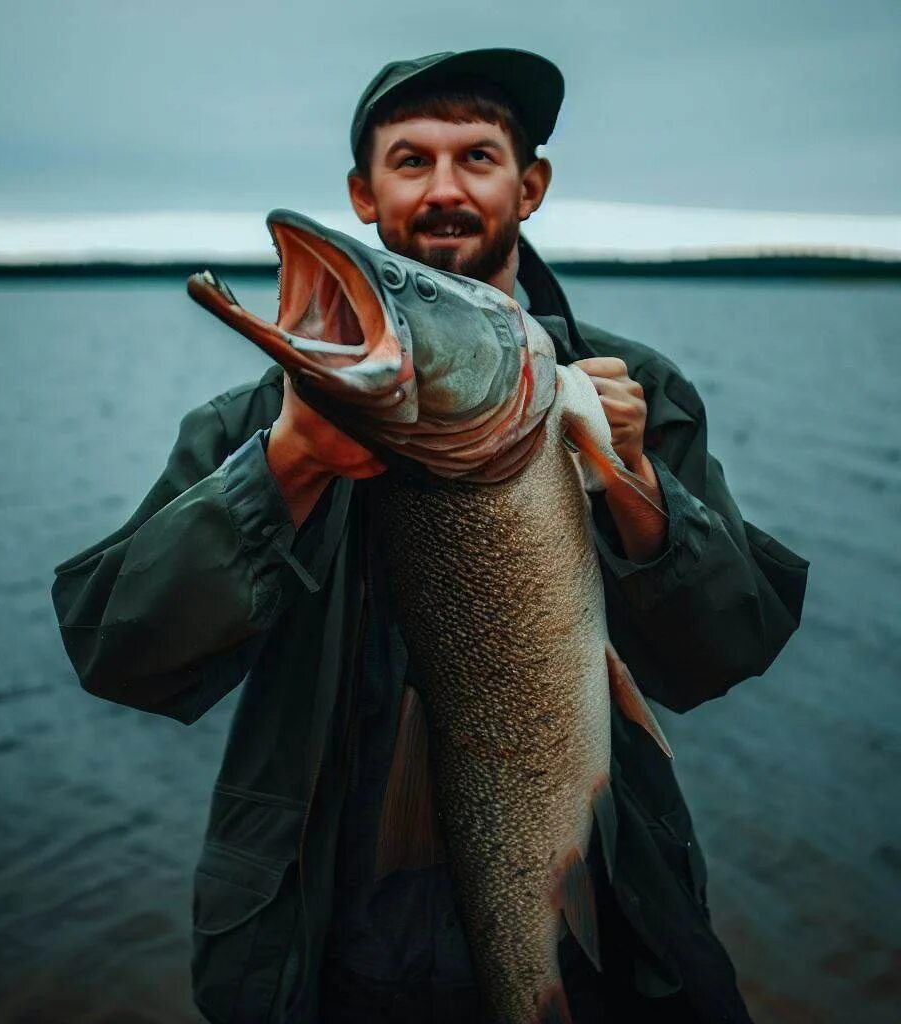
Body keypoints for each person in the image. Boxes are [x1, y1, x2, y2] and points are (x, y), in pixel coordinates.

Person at [50, 48, 809, 1024]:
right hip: (324, 960)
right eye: (410, 161)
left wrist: (637, 488)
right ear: (363, 194)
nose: (444, 188)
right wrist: (285, 466)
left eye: (476, 157)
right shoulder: (256, 425)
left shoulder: (633, 392)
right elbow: (119, 651)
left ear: (528, 185)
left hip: (608, 945)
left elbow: (727, 648)